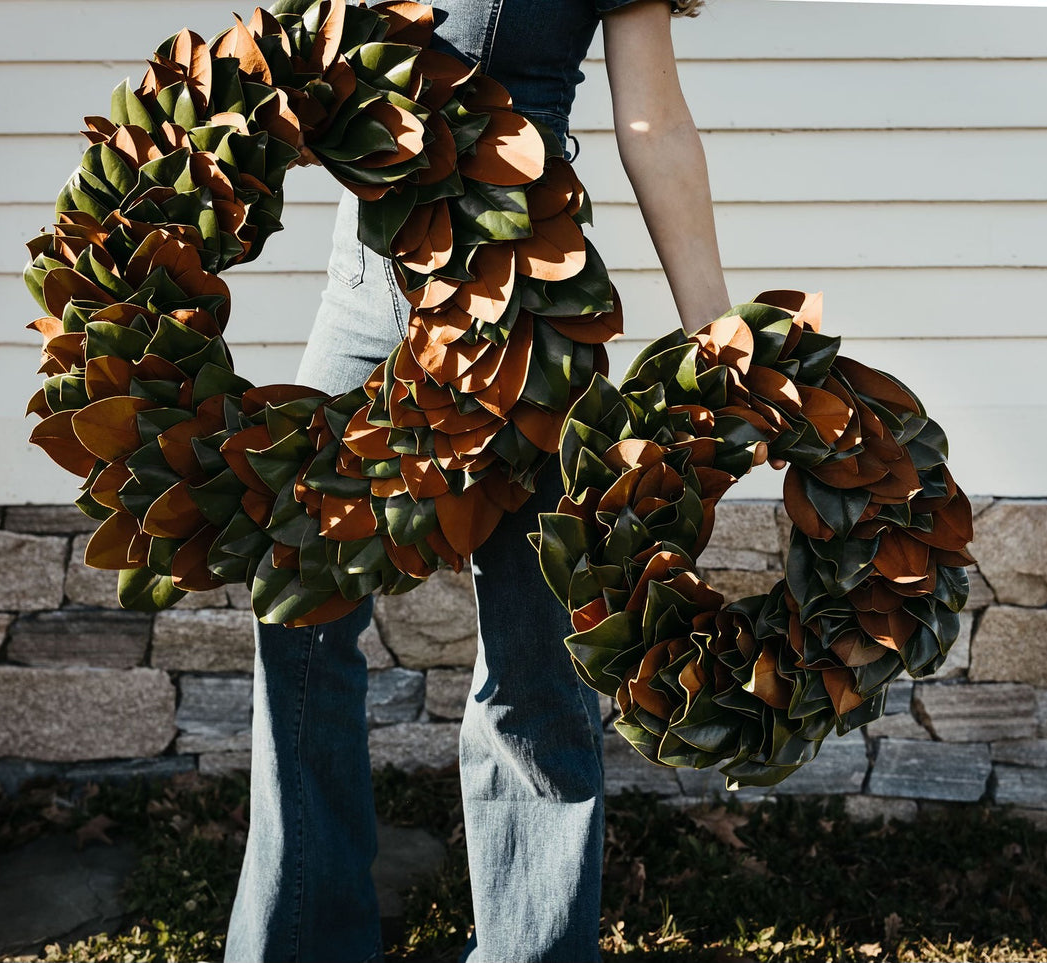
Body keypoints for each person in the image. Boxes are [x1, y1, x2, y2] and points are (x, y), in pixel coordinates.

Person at [223, 1, 729, 960]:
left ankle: (531, 948)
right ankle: (299, 941)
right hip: (367, 284)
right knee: (294, 606)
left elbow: (651, 118)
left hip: (523, 295)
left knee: (536, 655)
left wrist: (714, 334)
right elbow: (300, 63)